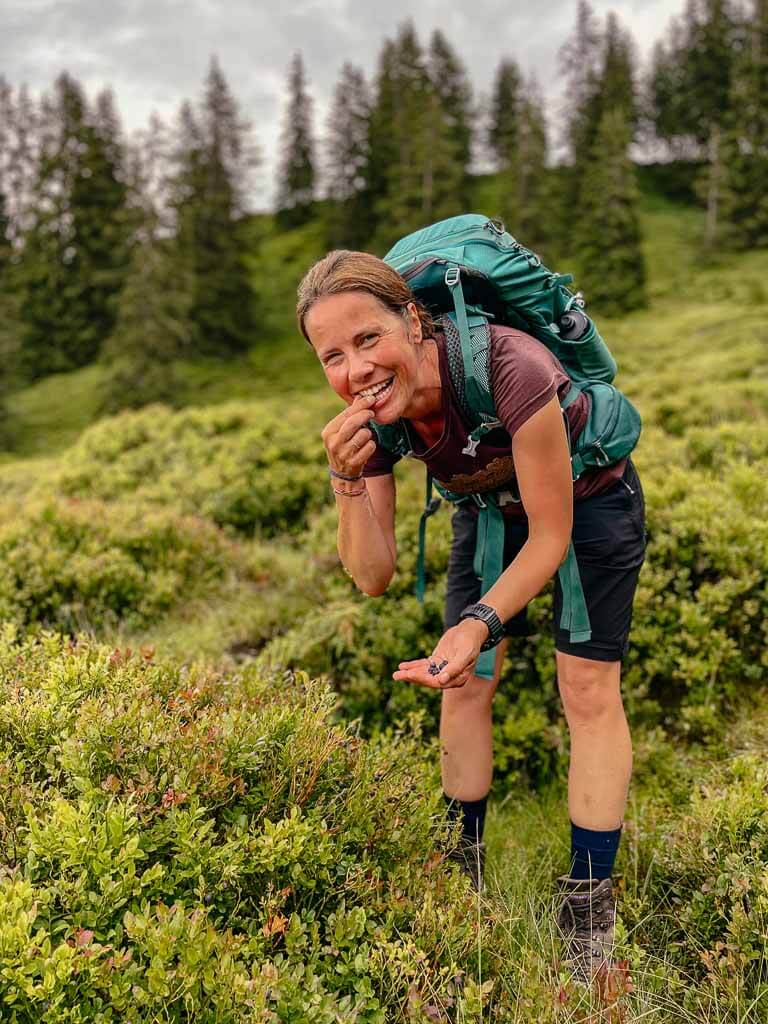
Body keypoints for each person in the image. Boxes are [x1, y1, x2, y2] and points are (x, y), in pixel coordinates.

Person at [297, 249, 646, 984]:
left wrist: (478, 622)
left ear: (413, 320)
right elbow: (372, 576)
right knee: (462, 686)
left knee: (586, 690)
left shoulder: (511, 365)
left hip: (588, 501)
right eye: (333, 356)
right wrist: (345, 478)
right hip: (489, 510)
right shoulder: (376, 421)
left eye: (368, 338)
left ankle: (588, 916)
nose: (357, 370)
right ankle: (462, 880)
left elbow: (551, 537)